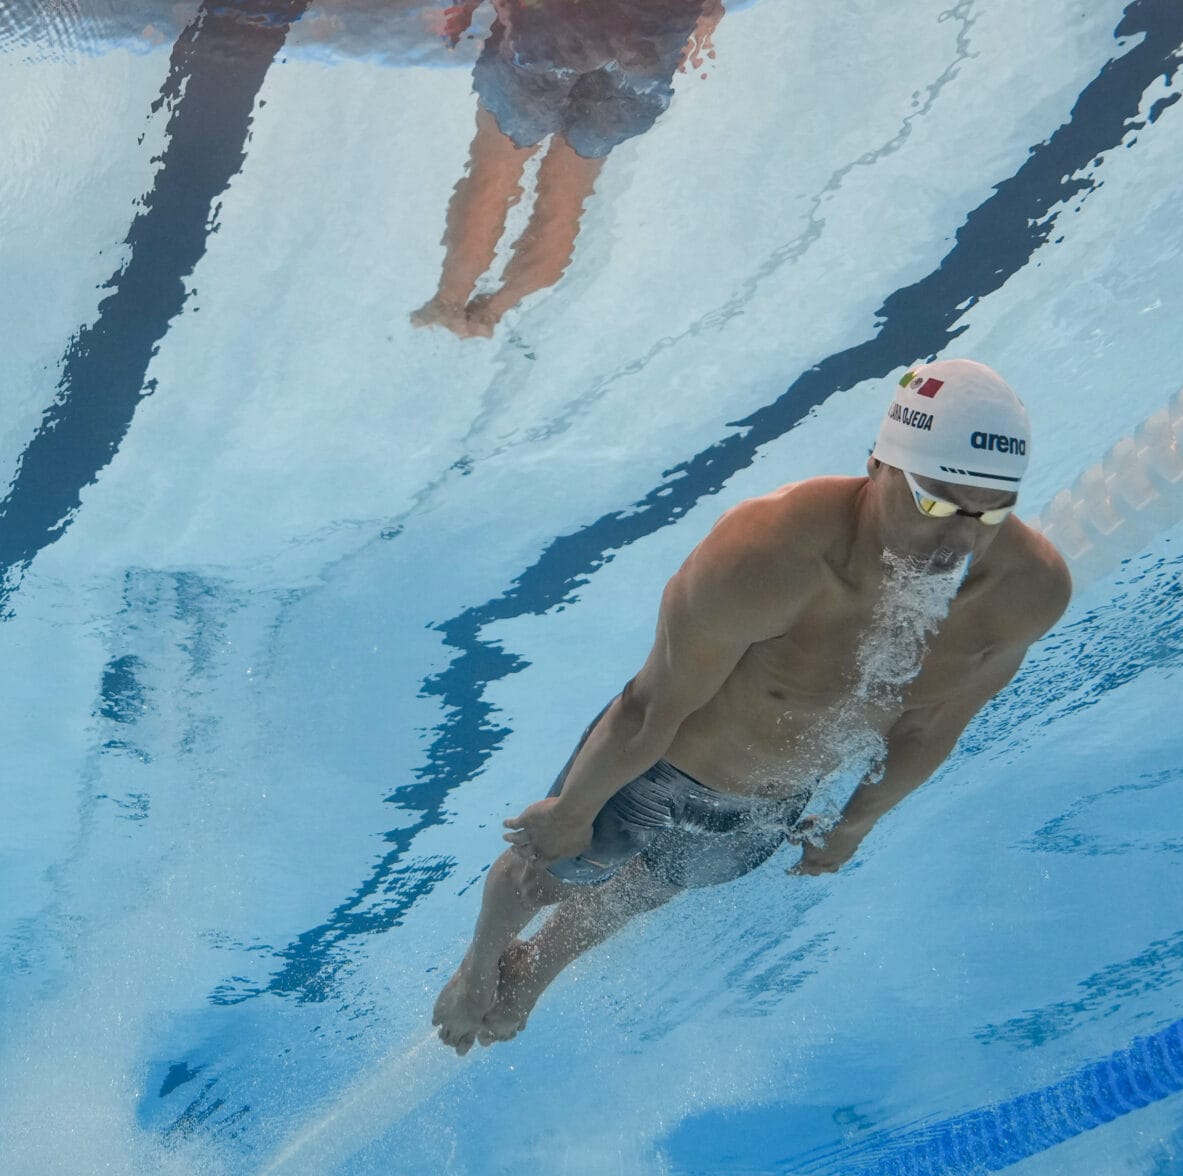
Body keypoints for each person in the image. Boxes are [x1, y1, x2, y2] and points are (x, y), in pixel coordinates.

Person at [432, 360, 1072, 1053]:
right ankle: (478, 970)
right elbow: (652, 703)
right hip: (664, 766)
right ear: (879, 465)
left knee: (646, 892)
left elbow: (936, 724)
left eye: (991, 513)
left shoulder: (1025, 591)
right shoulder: (771, 551)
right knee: (546, 872)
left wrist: (856, 824)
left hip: (772, 805)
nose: (960, 542)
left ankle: (537, 975)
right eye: (936, 504)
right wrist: (573, 810)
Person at [411, 0, 725, 339]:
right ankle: (494, 310)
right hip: (639, 61)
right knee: (564, 204)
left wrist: (462, 13)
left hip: (551, 35)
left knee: (493, 180)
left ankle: (449, 303)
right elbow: (709, 10)